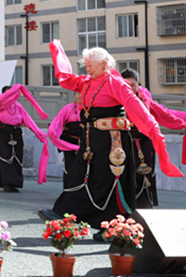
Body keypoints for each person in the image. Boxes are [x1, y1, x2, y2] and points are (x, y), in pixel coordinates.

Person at [38, 40, 182, 235]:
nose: (87, 68)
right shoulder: (87, 82)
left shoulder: (116, 83)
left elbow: (136, 107)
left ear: (104, 64)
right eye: (86, 65)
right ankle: (65, 213)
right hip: (90, 138)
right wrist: (57, 51)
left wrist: (154, 130)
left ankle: (113, 228)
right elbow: (67, 79)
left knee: (107, 180)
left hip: (112, 141)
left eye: (90, 64)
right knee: (79, 173)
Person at [120, 68, 186, 209]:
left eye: (133, 85)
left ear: (138, 84)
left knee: (145, 174)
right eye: (126, 85)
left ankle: (145, 206)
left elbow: (165, 113)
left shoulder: (145, 100)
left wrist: (183, 121)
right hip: (123, 143)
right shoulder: (116, 101)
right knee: (125, 175)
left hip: (145, 143)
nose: (130, 88)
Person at [0, 84, 49, 192]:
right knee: (6, 157)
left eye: (12, 94)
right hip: (3, 134)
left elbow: (28, 120)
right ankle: (7, 183)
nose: (10, 96)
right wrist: (15, 88)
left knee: (17, 158)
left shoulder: (18, 106)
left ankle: (15, 183)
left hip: (16, 133)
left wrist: (40, 134)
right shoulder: (0, 104)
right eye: (7, 94)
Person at [48, 93, 83, 189]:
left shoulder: (91, 109)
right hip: (69, 142)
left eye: (83, 93)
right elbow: (56, 124)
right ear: (74, 95)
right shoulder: (68, 108)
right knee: (70, 167)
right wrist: (54, 136)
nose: (80, 96)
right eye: (78, 93)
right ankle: (69, 190)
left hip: (86, 143)